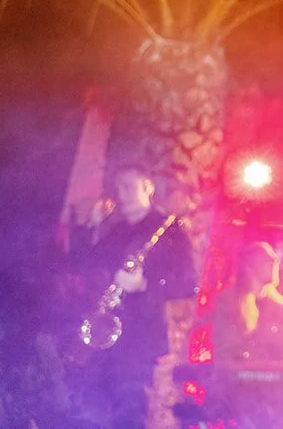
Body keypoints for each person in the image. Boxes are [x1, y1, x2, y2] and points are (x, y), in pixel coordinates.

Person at [71, 163, 196, 429]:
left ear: (148, 188)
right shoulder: (117, 230)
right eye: (118, 187)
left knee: (128, 413)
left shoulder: (170, 229)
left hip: (140, 337)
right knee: (92, 409)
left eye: (129, 187)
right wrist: (91, 227)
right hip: (107, 337)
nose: (121, 193)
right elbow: (82, 265)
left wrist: (144, 285)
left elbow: (188, 283)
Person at [203, 241, 283, 428]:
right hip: (238, 387)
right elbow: (226, 350)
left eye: (274, 259)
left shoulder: (279, 305)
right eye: (266, 260)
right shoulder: (228, 302)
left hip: (271, 387)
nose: (274, 262)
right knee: (260, 420)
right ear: (250, 266)